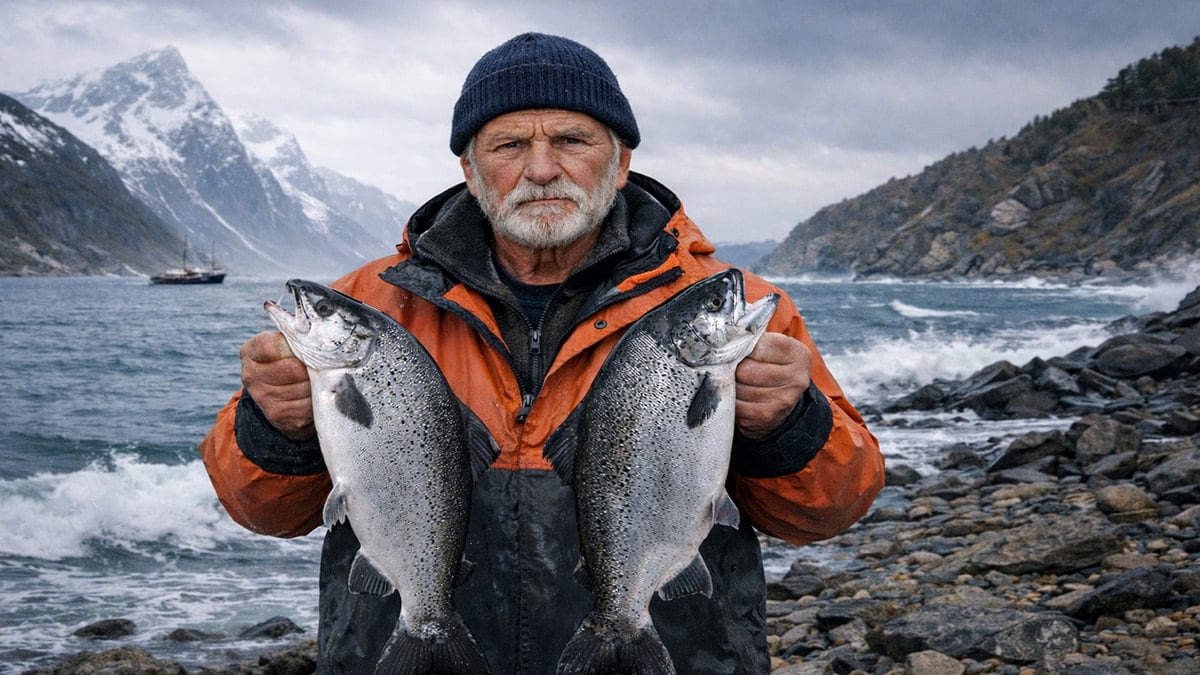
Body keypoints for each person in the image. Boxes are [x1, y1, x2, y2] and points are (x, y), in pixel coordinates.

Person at [200, 31, 884, 674]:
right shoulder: (367, 311)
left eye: (571, 138)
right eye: (506, 145)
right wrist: (275, 425)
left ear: (621, 163)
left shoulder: (738, 312)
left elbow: (828, 510)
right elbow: (262, 510)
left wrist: (789, 425)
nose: (541, 167)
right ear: (470, 171)